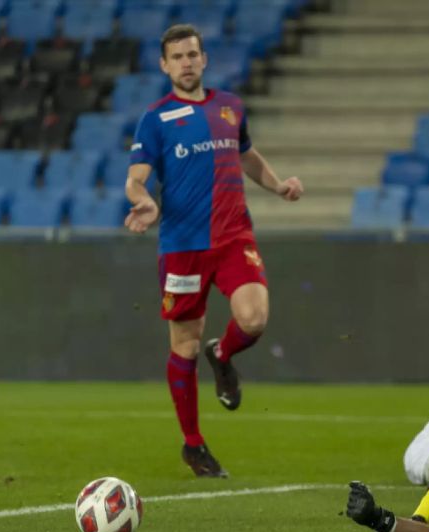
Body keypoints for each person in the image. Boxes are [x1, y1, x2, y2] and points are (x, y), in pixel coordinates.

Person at [124, 24, 304, 477]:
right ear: (164, 66)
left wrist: (277, 184)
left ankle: (223, 354)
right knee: (183, 345)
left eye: (192, 54)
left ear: (204, 60)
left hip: (232, 237)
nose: (186, 62)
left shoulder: (230, 107)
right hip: (183, 246)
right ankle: (194, 445)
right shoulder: (156, 118)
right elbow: (136, 177)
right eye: (177, 57)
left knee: (255, 318)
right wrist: (142, 201)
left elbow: (246, 154)